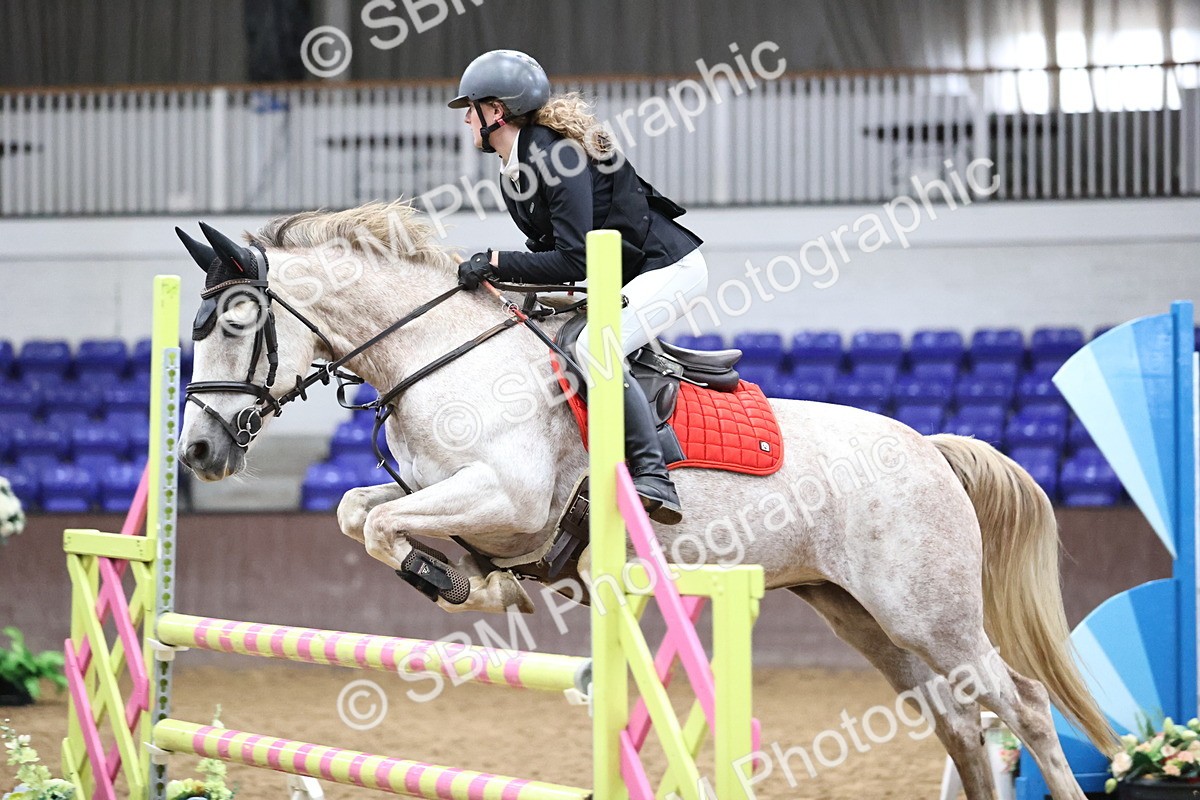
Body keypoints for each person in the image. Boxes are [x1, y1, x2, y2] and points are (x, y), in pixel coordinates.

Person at [450, 49, 708, 525]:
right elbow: (555, 260)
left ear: (496, 111)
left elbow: (575, 259)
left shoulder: (557, 157)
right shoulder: (515, 170)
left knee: (594, 346)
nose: (466, 118)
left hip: (669, 269)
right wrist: (495, 276)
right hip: (620, 275)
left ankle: (654, 475)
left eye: (471, 107)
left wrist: (495, 261)